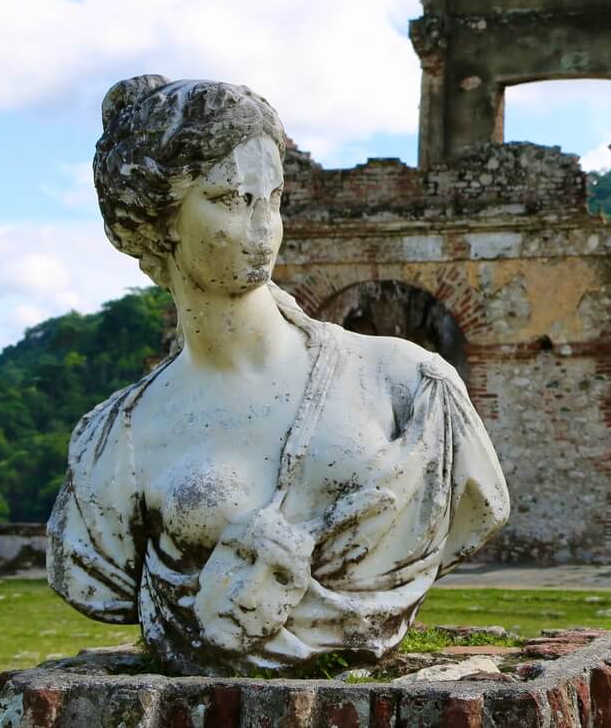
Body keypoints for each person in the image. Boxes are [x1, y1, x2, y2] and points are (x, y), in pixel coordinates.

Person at [48, 76, 509, 676]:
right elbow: (99, 581)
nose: (264, 228)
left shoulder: (410, 386)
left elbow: (484, 505)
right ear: (157, 223)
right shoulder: (114, 442)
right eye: (230, 200)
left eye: (274, 198)